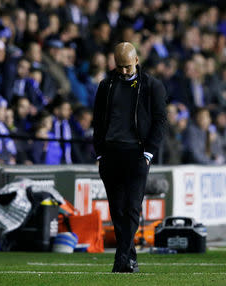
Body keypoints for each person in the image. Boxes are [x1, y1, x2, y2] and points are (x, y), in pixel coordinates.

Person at [92, 42, 166, 273]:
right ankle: (129, 259)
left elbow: (160, 121)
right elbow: (98, 120)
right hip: (111, 153)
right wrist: (100, 153)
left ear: (136, 60)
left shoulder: (152, 86)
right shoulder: (106, 85)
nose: (123, 70)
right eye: (119, 66)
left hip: (136, 153)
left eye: (127, 66)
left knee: (132, 207)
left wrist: (148, 152)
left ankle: (121, 259)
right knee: (117, 210)